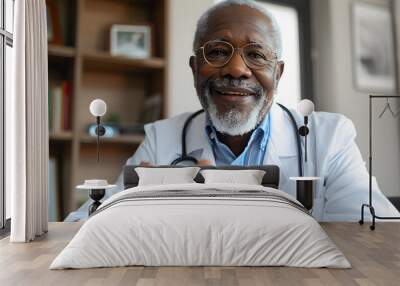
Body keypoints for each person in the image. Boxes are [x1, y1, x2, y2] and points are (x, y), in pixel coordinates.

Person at [65, 0, 399, 222]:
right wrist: (132, 208)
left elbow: (372, 233)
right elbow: (85, 223)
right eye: (218, 52)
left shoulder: (330, 138)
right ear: (195, 69)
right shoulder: (161, 138)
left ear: (278, 73)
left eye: (256, 55)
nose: (237, 69)